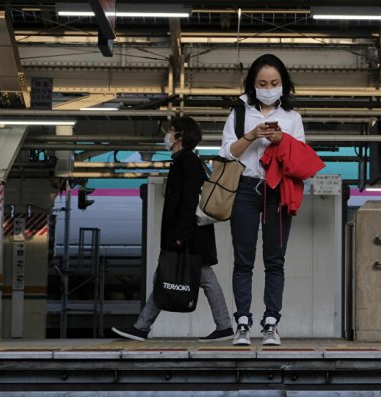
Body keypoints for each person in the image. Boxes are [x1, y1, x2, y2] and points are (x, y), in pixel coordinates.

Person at [112, 116, 233, 342]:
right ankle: (142, 327)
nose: (167, 135)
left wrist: (180, 236)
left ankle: (143, 327)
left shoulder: (186, 162)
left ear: (180, 136)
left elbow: (187, 202)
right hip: (190, 235)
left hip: (188, 236)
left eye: (171, 131)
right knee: (175, 276)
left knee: (196, 277)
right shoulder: (185, 161)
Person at [219, 54, 307, 346]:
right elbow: (227, 152)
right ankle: (242, 323)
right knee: (243, 259)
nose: (268, 88)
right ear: (252, 84)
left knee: (275, 260)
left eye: (274, 83)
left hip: (277, 190)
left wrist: (282, 141)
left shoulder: (292, 118)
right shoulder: (240, 112)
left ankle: (271, 322)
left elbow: (302, 158)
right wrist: (253, 135)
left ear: (283, 84)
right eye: (262, 83)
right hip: (245, 187)